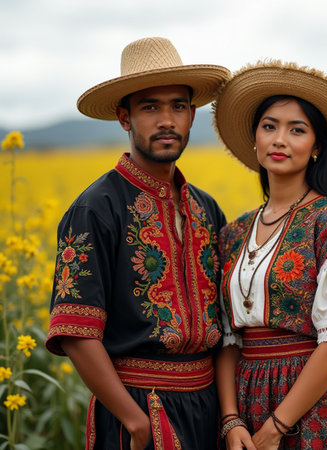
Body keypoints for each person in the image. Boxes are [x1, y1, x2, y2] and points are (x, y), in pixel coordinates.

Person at [45, 37, 230, 450]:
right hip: (138, 410)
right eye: (150, 107)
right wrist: (135, 422)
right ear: (124, 117)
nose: (167, 120)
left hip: (209, 408)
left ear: (193, 115)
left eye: (178, 106)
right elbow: (76, 331)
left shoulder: (207, 208)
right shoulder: (95, 209)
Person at [213, 61, 327, 449]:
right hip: (244, 404)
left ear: (317, 147)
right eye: (269, 126)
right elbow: (227, 339)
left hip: (312, 409)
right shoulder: (233, 233)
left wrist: (275, 429)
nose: (279, 139)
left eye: (297, 130)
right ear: (255, 139)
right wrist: (230, 420)